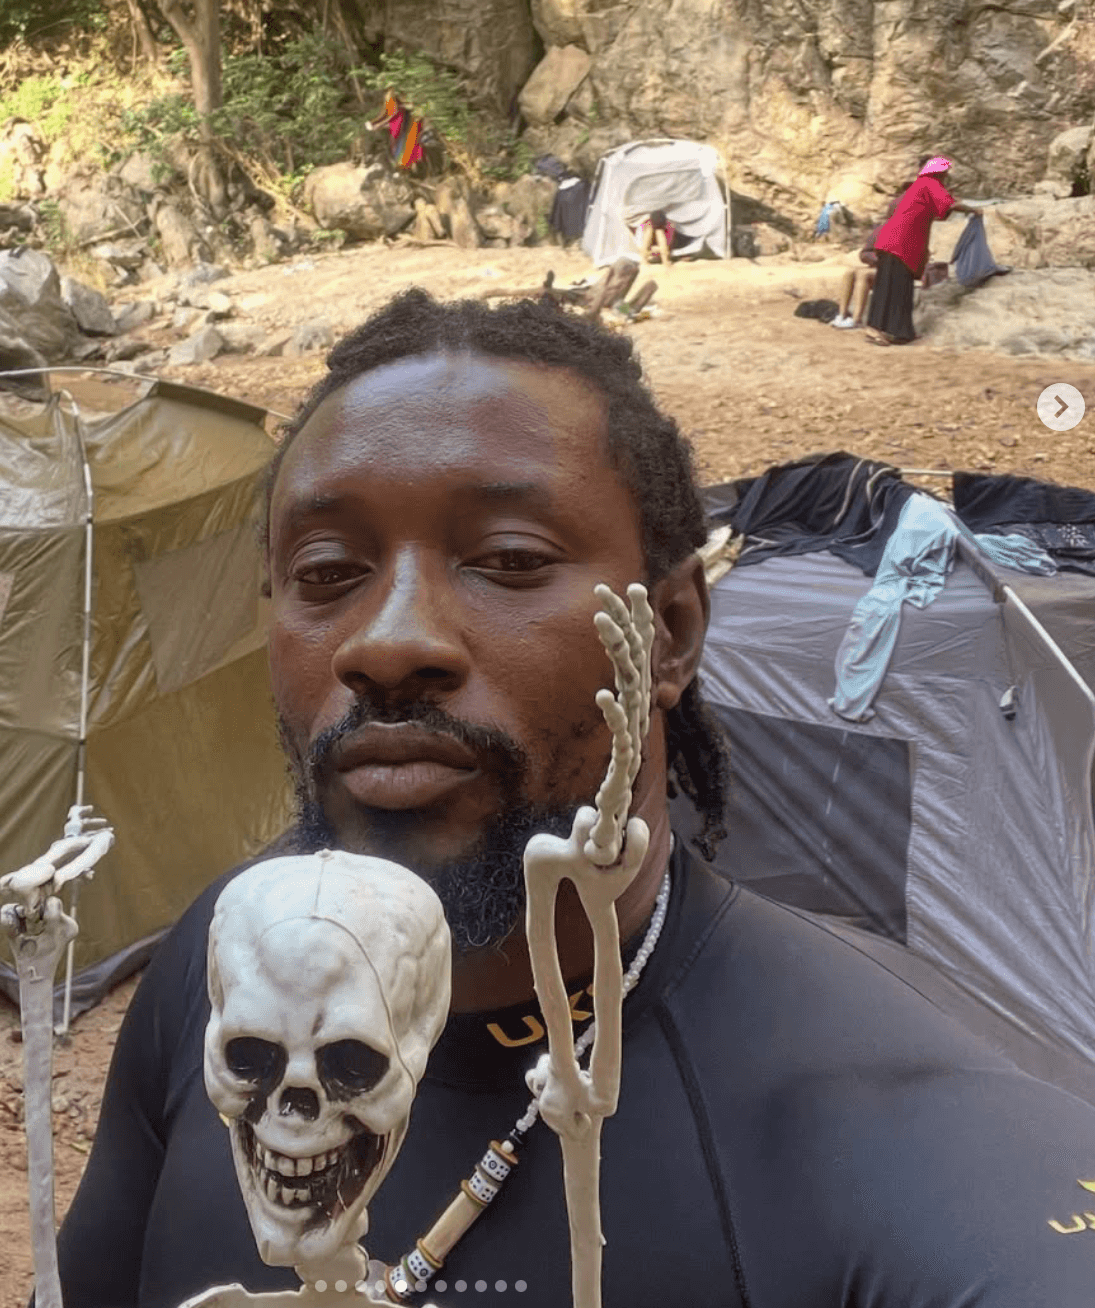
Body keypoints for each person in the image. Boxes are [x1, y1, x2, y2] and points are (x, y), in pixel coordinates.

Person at [55, 291, 1093, 1308]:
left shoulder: (900, 1121)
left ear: (673, 629)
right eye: (328, 570)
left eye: (508, 559)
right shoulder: (214, 961)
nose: (387, 641)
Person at [864, 157, 980, 346]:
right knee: (890, 287)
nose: (946, 177)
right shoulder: (929, 183)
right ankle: (875, 328)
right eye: (945, 173)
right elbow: (949, 205)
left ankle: (900, 332)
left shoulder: (920, 186)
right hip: (899, 243)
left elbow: (940, 213)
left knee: (901, 287)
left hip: (899, 243)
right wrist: (974, 210)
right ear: (939, 173)